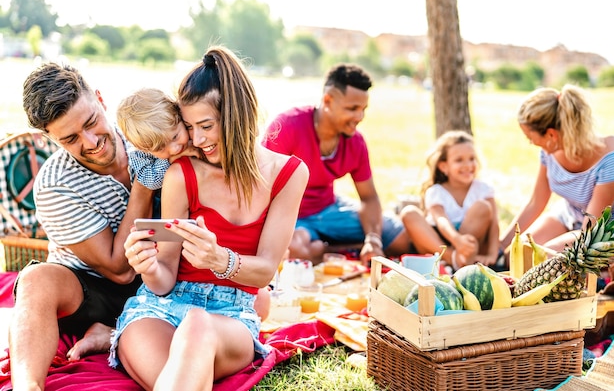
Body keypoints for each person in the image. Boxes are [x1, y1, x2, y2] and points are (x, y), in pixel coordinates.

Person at [108, 45, 309, 390]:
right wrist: (148, 267)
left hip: (230, 316)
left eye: (206, 125)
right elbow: (166, 278)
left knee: (197, 325)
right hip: (161, 309)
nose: (197, 140)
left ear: (237, 115)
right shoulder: (180, 174)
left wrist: (220, 259)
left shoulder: (288, 174)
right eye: (189, 127)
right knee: (176, 380)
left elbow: (263, 271)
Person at [10, 63, 155, 391]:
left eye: (91, 123)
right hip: (94, 288)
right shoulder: (53, 184)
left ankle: (111, 333)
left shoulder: (146, 136)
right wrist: (146, 185)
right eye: (71, 139)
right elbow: (119, 270)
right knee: (35, 279)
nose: (91, 143)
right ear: (51, 138)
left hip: (168, 276)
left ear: (101, 99)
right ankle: (27, 386)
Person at [116, 86, 271, 320]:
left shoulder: (195, 138)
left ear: (179, 117)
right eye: (160, 149)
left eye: (177, 137)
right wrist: (174, 160)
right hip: (164, 214)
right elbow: (149, 179)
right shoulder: (148, 155)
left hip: (222, 275)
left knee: (264, 300)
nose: (174, 148)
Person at [261, 63, 410, 266]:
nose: (359, 117)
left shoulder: (356, 142)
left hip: (330, 209)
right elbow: (260, 187)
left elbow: (369, 197)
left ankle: (331, 249)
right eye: (352, 109)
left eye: (363, 109)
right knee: (295, 250)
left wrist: (373, 239)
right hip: (294, 215)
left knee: (400, 240)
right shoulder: (287, 126)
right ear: (328, 100)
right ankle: (339, 249)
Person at [499, 84, 614, 255]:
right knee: (517, 255)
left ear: (551, 135)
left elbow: (589, 234)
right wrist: (501, 246)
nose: (531, 143)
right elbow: (536, 202)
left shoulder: (611, 159)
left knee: (538, 259)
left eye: (530, 137)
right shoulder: (549, 151)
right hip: (570, 215)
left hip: (606, 231)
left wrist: (551, 252)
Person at [400, 130, 500, 270]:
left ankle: (458, 260)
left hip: (470, 244)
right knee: (408, 213)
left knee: (482, 207)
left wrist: (492, 254)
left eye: (472, 159)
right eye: (459, 160)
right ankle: (451, 258)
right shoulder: (436, 191)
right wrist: (456, 240)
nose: (468, 165)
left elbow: (494, 223)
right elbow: (441, 220)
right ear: (444, 166)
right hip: (439, 244)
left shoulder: (484, 189)